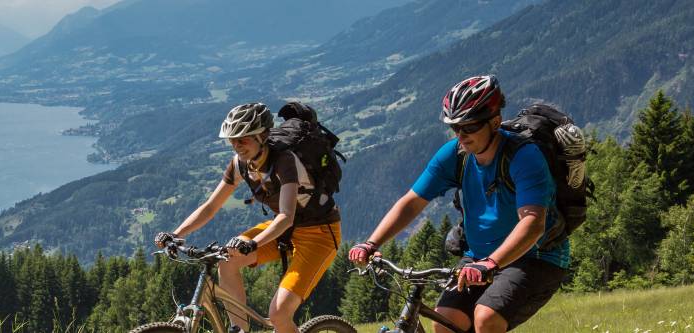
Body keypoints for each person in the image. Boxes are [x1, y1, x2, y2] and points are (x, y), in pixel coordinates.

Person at [347, 75, 569, 333]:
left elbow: (532, 223)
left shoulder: (524, 157)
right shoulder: (455, 155)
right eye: (455, 128)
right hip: (477, 259)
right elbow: (411, 202)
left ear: (495, 122)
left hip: (535, 257)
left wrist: (491, 264)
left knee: (486, 318)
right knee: (445, 323)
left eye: (470, 127)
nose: (461, 135)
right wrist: (371, 242)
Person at [154, 102, 342, 333]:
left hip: (318, 234)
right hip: (282, 232)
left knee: (279, 314)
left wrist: (252, 243)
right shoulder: (239, 163)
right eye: (232, 140)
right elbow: (211, 206)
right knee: (227, 259)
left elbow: (286, 216)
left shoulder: (285, 161)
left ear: (262, 135)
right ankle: (239, 330)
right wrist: (176, 234)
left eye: (243, 139)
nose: (236, 146)